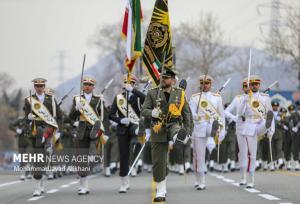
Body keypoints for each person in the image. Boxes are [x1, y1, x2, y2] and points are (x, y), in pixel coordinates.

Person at [142, 69, 192, 202]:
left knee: (176, 129)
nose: (163, 79)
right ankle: (161, 190)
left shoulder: (179, 94)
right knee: (159, 163)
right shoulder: (152, 92)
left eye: (166, 77)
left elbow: (187, 115)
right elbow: (144, 110)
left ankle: (179, 138)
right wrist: (152, 113)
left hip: (174, 123)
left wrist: (188, 131)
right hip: (158, 127)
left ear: (173, 80)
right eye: (161, 77)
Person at [23, 78, 62, 196]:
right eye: (37, 86)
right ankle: (37, 186)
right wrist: (28, 118)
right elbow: (25, 118)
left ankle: (41, 180)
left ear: (44, 87)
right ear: (34, 87)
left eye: (41, 86)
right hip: (36, 131)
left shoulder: (51, 99)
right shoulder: (29, 100)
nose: (39, 88)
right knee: (37, 158)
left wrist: (58, 130)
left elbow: (59, 116)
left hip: (48, 130)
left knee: (46, 155)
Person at [109, 74, 145, 193]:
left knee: (137, 139)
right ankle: (124, 182)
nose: (129, 85)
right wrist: (120, 120)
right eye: (127, 83)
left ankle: (137, 160)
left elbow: (147, 99)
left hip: (135, 126)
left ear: (135, 84)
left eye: (132, 83)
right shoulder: (118, 98)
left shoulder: (139, 97)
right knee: (123, 155)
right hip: (122, 128)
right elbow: (111, 114)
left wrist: (134, 91)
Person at [189, 75, 225, 190]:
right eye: (203, 83)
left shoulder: (217, 97)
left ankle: (215, 132)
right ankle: (199, 179)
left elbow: (221, 115)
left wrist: (223, 130)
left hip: (211, 125)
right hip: (199, 126)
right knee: (199, 155)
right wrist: (198, 116)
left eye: (207, 83)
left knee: (200, 154)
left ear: (211, 84)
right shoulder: (195, 97)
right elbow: (190, 114)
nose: (205, 85)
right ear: (200, 84)